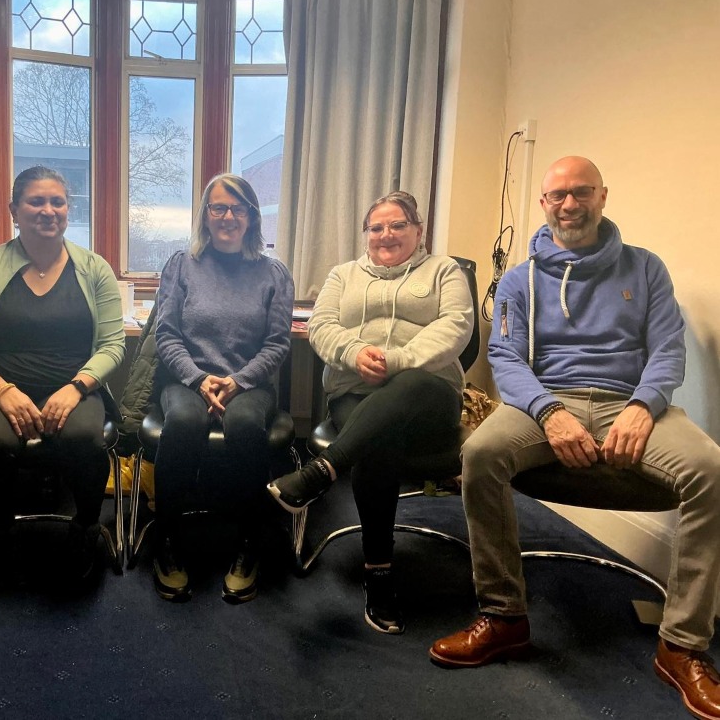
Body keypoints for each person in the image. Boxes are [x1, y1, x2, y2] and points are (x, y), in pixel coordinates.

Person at [429, 156, 720, 720]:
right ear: (543, 204)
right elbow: (507, 357)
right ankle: (504, 616)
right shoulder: (519, 279)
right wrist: (549, 411)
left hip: (629, 402)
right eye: (557, 195)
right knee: (481, 452)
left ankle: (682, 645)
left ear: (603, 196)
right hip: (546, 399)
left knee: (709, 468)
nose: (569, 204)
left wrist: (643, 405)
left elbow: (668, 350)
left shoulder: (646, 269)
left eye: (581, 192)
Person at [267, 191, 474, 633]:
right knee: (378, 439)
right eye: (377, 227)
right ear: (366, 235)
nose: (387, 234)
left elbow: (456, 326)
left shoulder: (444, 271)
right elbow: (321, 327)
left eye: (398, 225)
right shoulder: (343, 275)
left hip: (429, 396)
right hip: (355, 393)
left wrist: (396, 362)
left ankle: (322, 470)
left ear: (418, 231)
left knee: (412, 384)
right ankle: (378, 573)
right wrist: (356, 352)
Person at [0, 166, 125, 580]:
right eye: (36, 201)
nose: (48, 211)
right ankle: (0, 529)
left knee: (85, 437)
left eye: (58, 202)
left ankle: (86, 526)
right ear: (15, 210)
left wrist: (76, 388)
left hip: (73, 386)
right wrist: (2, 391)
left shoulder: (95, 268)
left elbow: (112, 346)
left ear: (68, 209)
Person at [151, 173, 294, 604]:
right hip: (186, 379)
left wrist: (238, 381)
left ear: (251, 216)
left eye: (238, 208)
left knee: (247, 424)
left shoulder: (273, 272)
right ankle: (169, 541)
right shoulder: (182, 264)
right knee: (181, 422)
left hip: (248, 382)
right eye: (218, 208)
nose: (228, 216)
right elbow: (166, 334)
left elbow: (278, 343)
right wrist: (198, 378)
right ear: (205, 216)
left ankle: (248, 544)